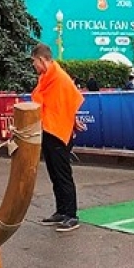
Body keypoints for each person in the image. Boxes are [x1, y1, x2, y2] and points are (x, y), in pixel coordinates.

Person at [30, 43, 85, 232]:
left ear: (43, 60)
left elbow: (68, 100)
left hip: (59, 132)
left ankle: (71, 215)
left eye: (34, 62)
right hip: (49, 130)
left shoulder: (59, 78)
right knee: (54, 174)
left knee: (63, 174)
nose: (34, 66)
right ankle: (61, 211)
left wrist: (72, 119)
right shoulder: (46, 78)